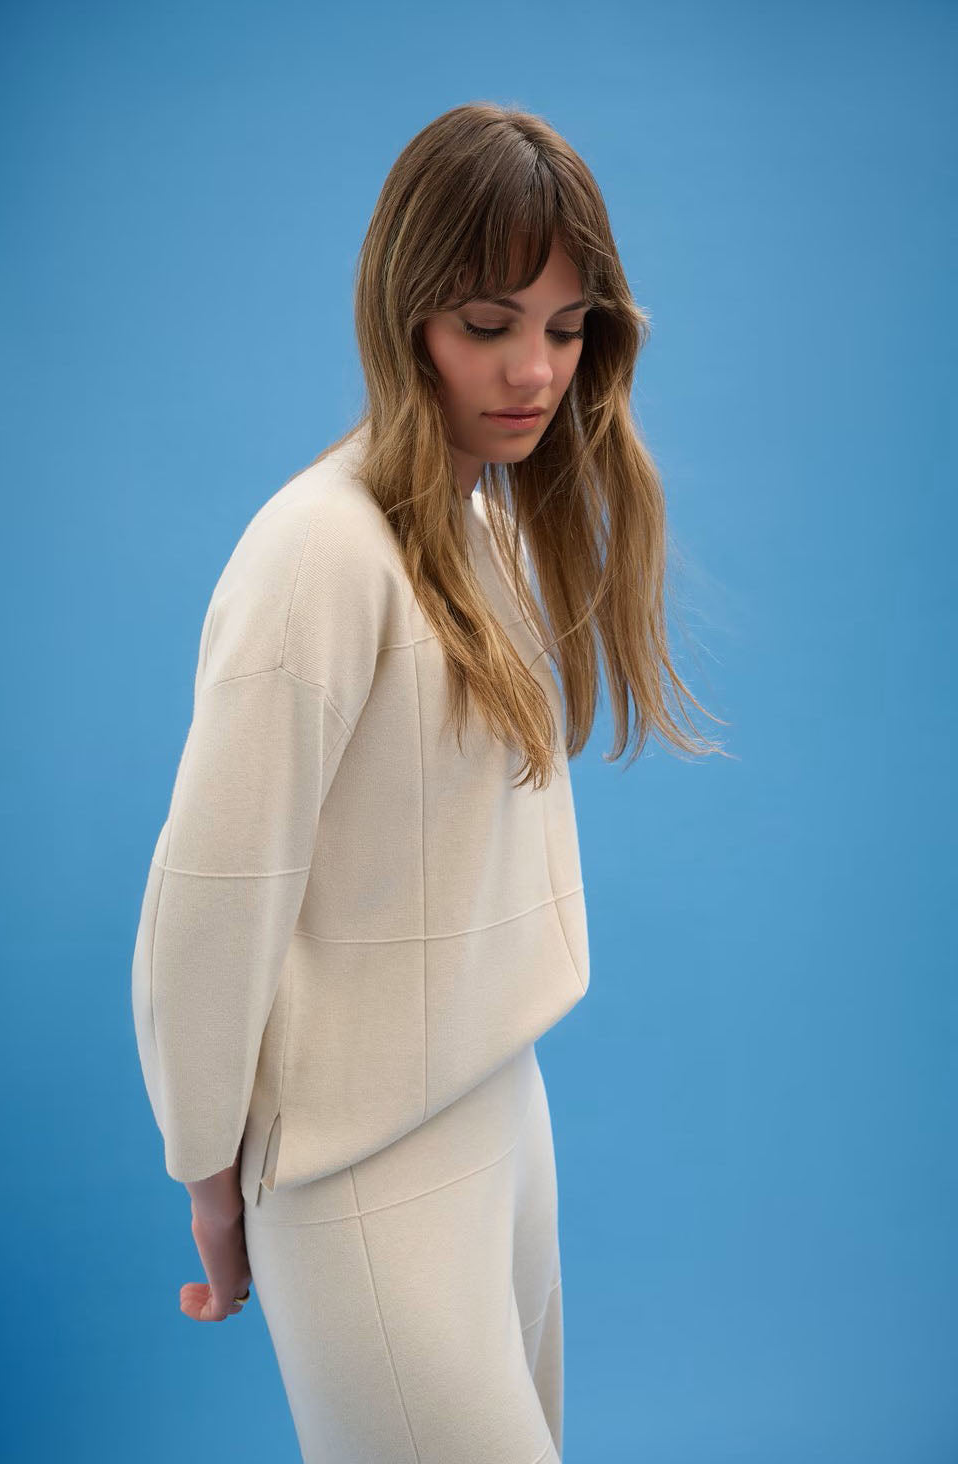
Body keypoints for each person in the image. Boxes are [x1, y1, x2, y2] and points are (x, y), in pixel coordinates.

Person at [131, 100, 727, 1463]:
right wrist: (206, 1176)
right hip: (358, 1165)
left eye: (568, 329)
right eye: (488, 323)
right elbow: (214, 896)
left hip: (496, 1108)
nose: (533, 370)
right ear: (405, 315)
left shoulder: (479, 523)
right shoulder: (317, 555)